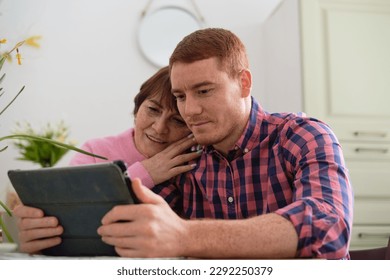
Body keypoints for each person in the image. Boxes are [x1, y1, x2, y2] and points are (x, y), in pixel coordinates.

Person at [96, 28, 353, 259]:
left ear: (244, 83)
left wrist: (186, 236)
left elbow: (328, 228)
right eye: (180, 96)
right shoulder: (186, 158)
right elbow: (122, 230)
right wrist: (58, 227)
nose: (190, 110)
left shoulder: (303, 136)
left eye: (204, 91)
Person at [13, 66, 201, 254]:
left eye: (177, 121)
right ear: (137, 109)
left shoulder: (196, 162)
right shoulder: (95, 151)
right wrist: (145, 173)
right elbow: (68, 210)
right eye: (153, 110)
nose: (160, 128)